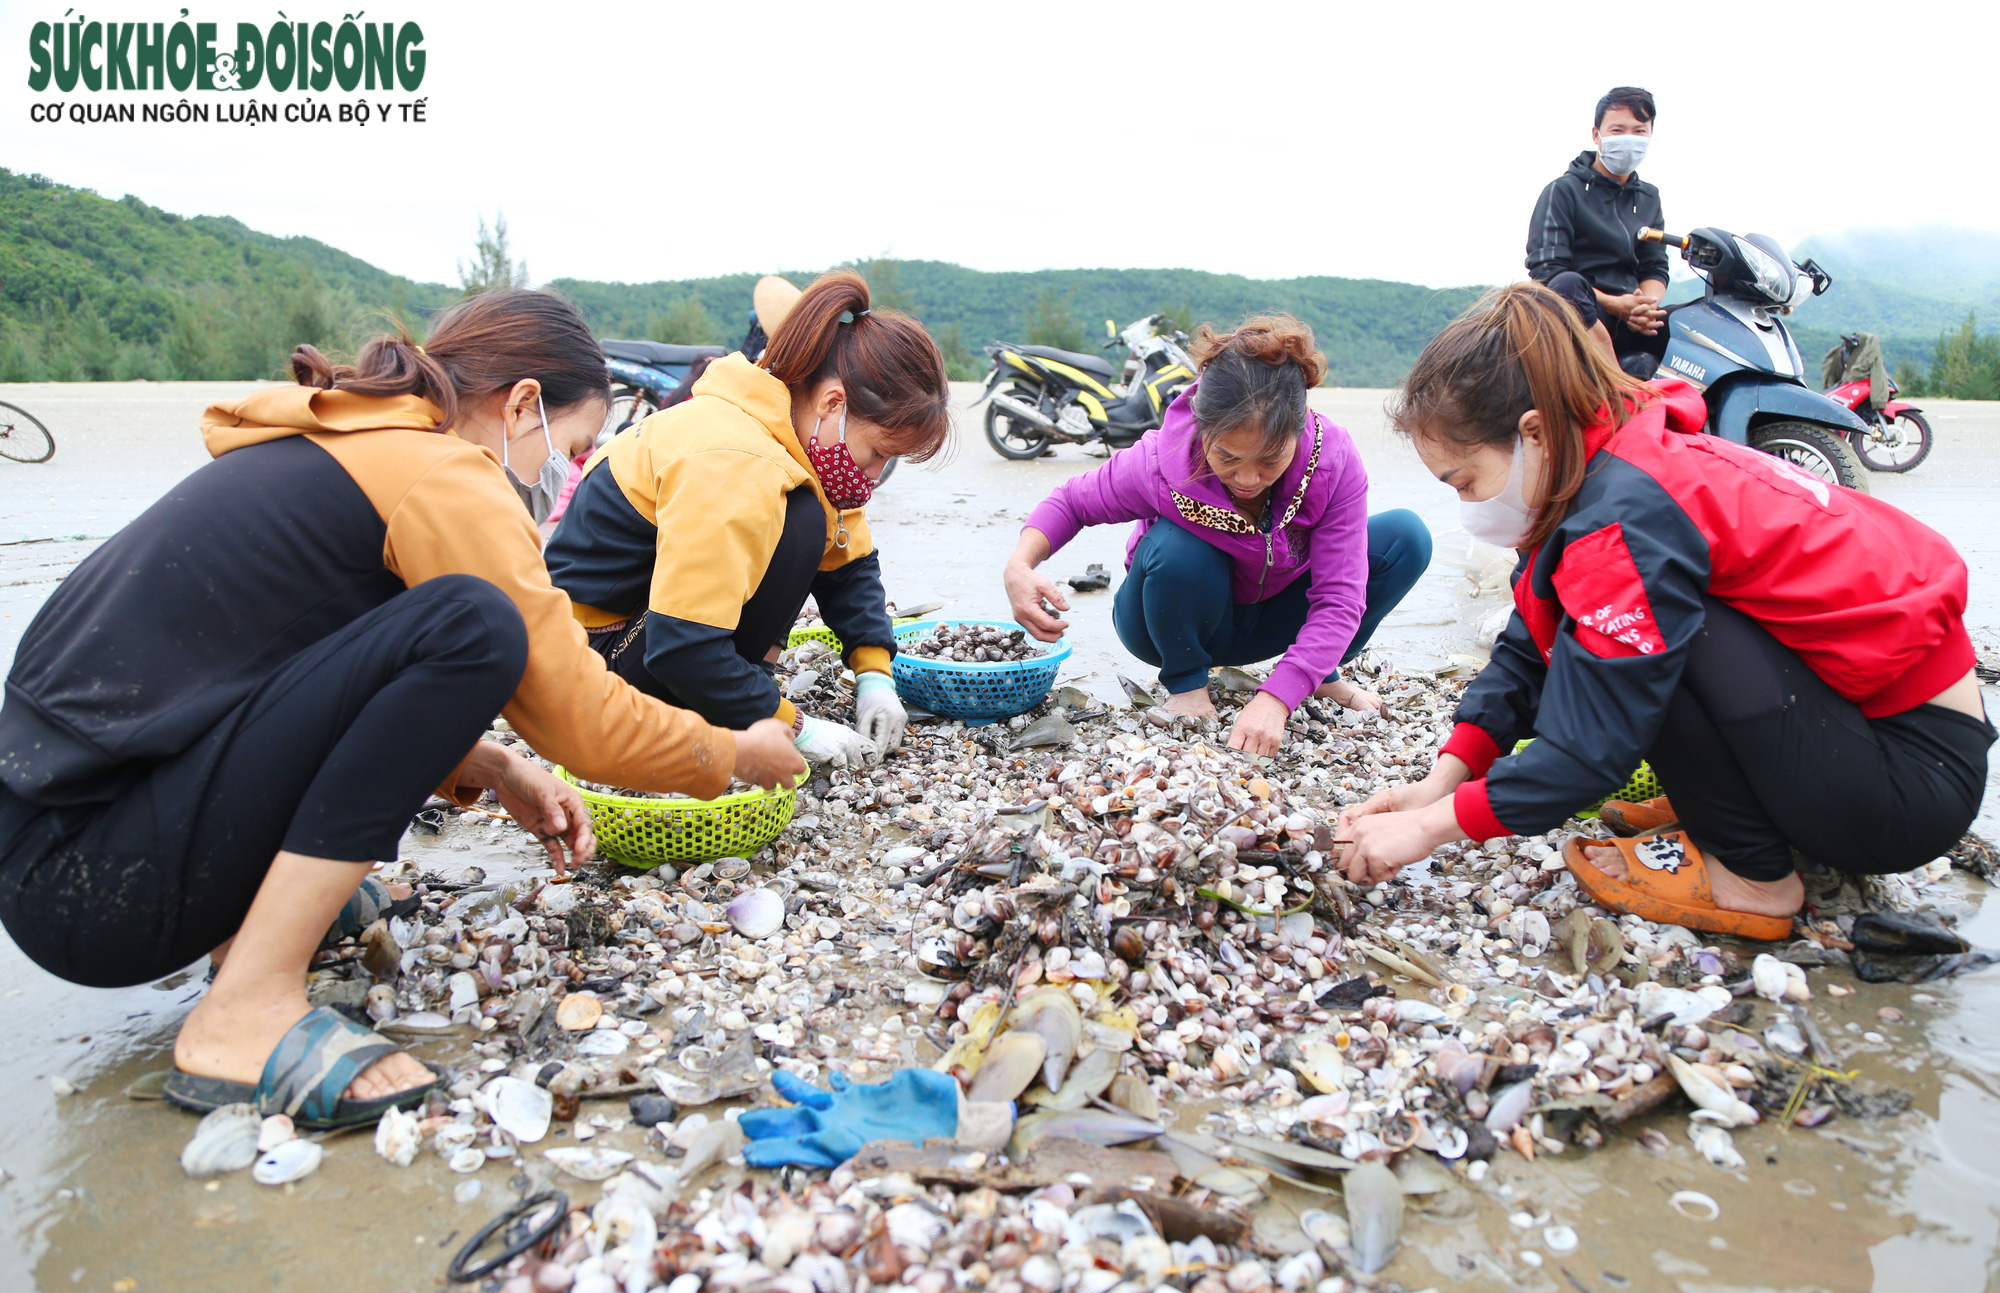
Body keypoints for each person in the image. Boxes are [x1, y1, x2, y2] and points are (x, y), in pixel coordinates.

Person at [0, 288, 805, 1129]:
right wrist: (734, 751)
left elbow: (298, 675)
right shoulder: (442, 472)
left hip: (62, 846)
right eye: (572, 445)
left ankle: (255, 916)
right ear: (522, 403)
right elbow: (581, 716)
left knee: (441, 626)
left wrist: (489, 765)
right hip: (100, 886)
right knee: (472, 624)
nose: (564, 469)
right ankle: (245, 1009)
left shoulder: (342, 443)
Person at [1338, 284, 1992, 939]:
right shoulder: (1608, 457)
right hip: (1865, 736)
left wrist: (1427, 829)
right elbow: (1527, 645)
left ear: (1533, 432)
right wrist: (1439, 781)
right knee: (1627, 622)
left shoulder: (1624, 517)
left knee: (1652, 639)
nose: (1469, 505)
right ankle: (1737, 819)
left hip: (1908, 783)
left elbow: (1587, 749)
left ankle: (1753, 877)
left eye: (1465, 480)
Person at [544, 271, 950, 768]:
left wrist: (874, 676)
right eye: (878, 452)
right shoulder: (736, 456)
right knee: (799, 519)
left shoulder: (794, 435)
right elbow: (681, 647)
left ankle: (734, 692)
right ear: (833, 403)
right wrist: (792, 726)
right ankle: (725, 702)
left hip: (645, 635)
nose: (875, 473)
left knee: (810, 515)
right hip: (586, 674)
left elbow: (848, 563)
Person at [1003, 314, 1433, 757]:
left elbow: (1340, 597)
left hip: (1275, 618)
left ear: (1298, 430)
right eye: (1227, 457)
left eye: (1270, 460)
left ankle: (1318, 675)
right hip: (1169, 622)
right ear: (1202, 427)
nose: (1248, 478)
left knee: (1405, 538)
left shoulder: (1332, 460)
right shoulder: (1162, 457)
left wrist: (1277, 699)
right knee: (1178, 544)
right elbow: (1071, 503)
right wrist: (1020, 566)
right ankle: (1186, 682)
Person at [1526, 86, 1669, 373]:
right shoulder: (1562, 191)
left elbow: (1654, 266)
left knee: (1691, 318)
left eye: (1639, 131)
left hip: (1633, 318)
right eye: (1618, 130)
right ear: (1597, 135)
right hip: (1582, 313)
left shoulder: (1649, 197)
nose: (1629, 139)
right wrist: (1615, 304)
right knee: (1567, 283)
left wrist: (1644, 308)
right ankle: (1616, 381)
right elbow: (1548, 273)